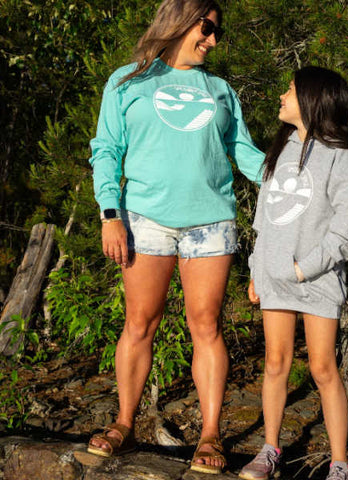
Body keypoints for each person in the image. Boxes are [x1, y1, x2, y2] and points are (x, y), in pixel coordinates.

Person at [87, 0, 264, 474]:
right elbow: (106, 149)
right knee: (139, 323)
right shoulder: (128, 80)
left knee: (206, 326)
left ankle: (210, 435)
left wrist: (295, 178)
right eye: (206, 28)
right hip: (144, 218)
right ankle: (124, 424)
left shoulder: (221, 90)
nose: (212, 40)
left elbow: (243, 153)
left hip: (211, 223)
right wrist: (110, 214)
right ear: (180, 22)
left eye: (216, 32)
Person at [238, 66, 348, 480]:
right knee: (275, 364)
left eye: (291, 90)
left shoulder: (345, 159)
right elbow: (263, 221)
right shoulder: (280, 152)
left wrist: (302, 268)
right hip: (274, 275)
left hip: (317, 279)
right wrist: (256, 270)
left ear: (314, 99)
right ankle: (270, 449)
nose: (282, 95)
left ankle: (339, 464)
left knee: (322, 368)